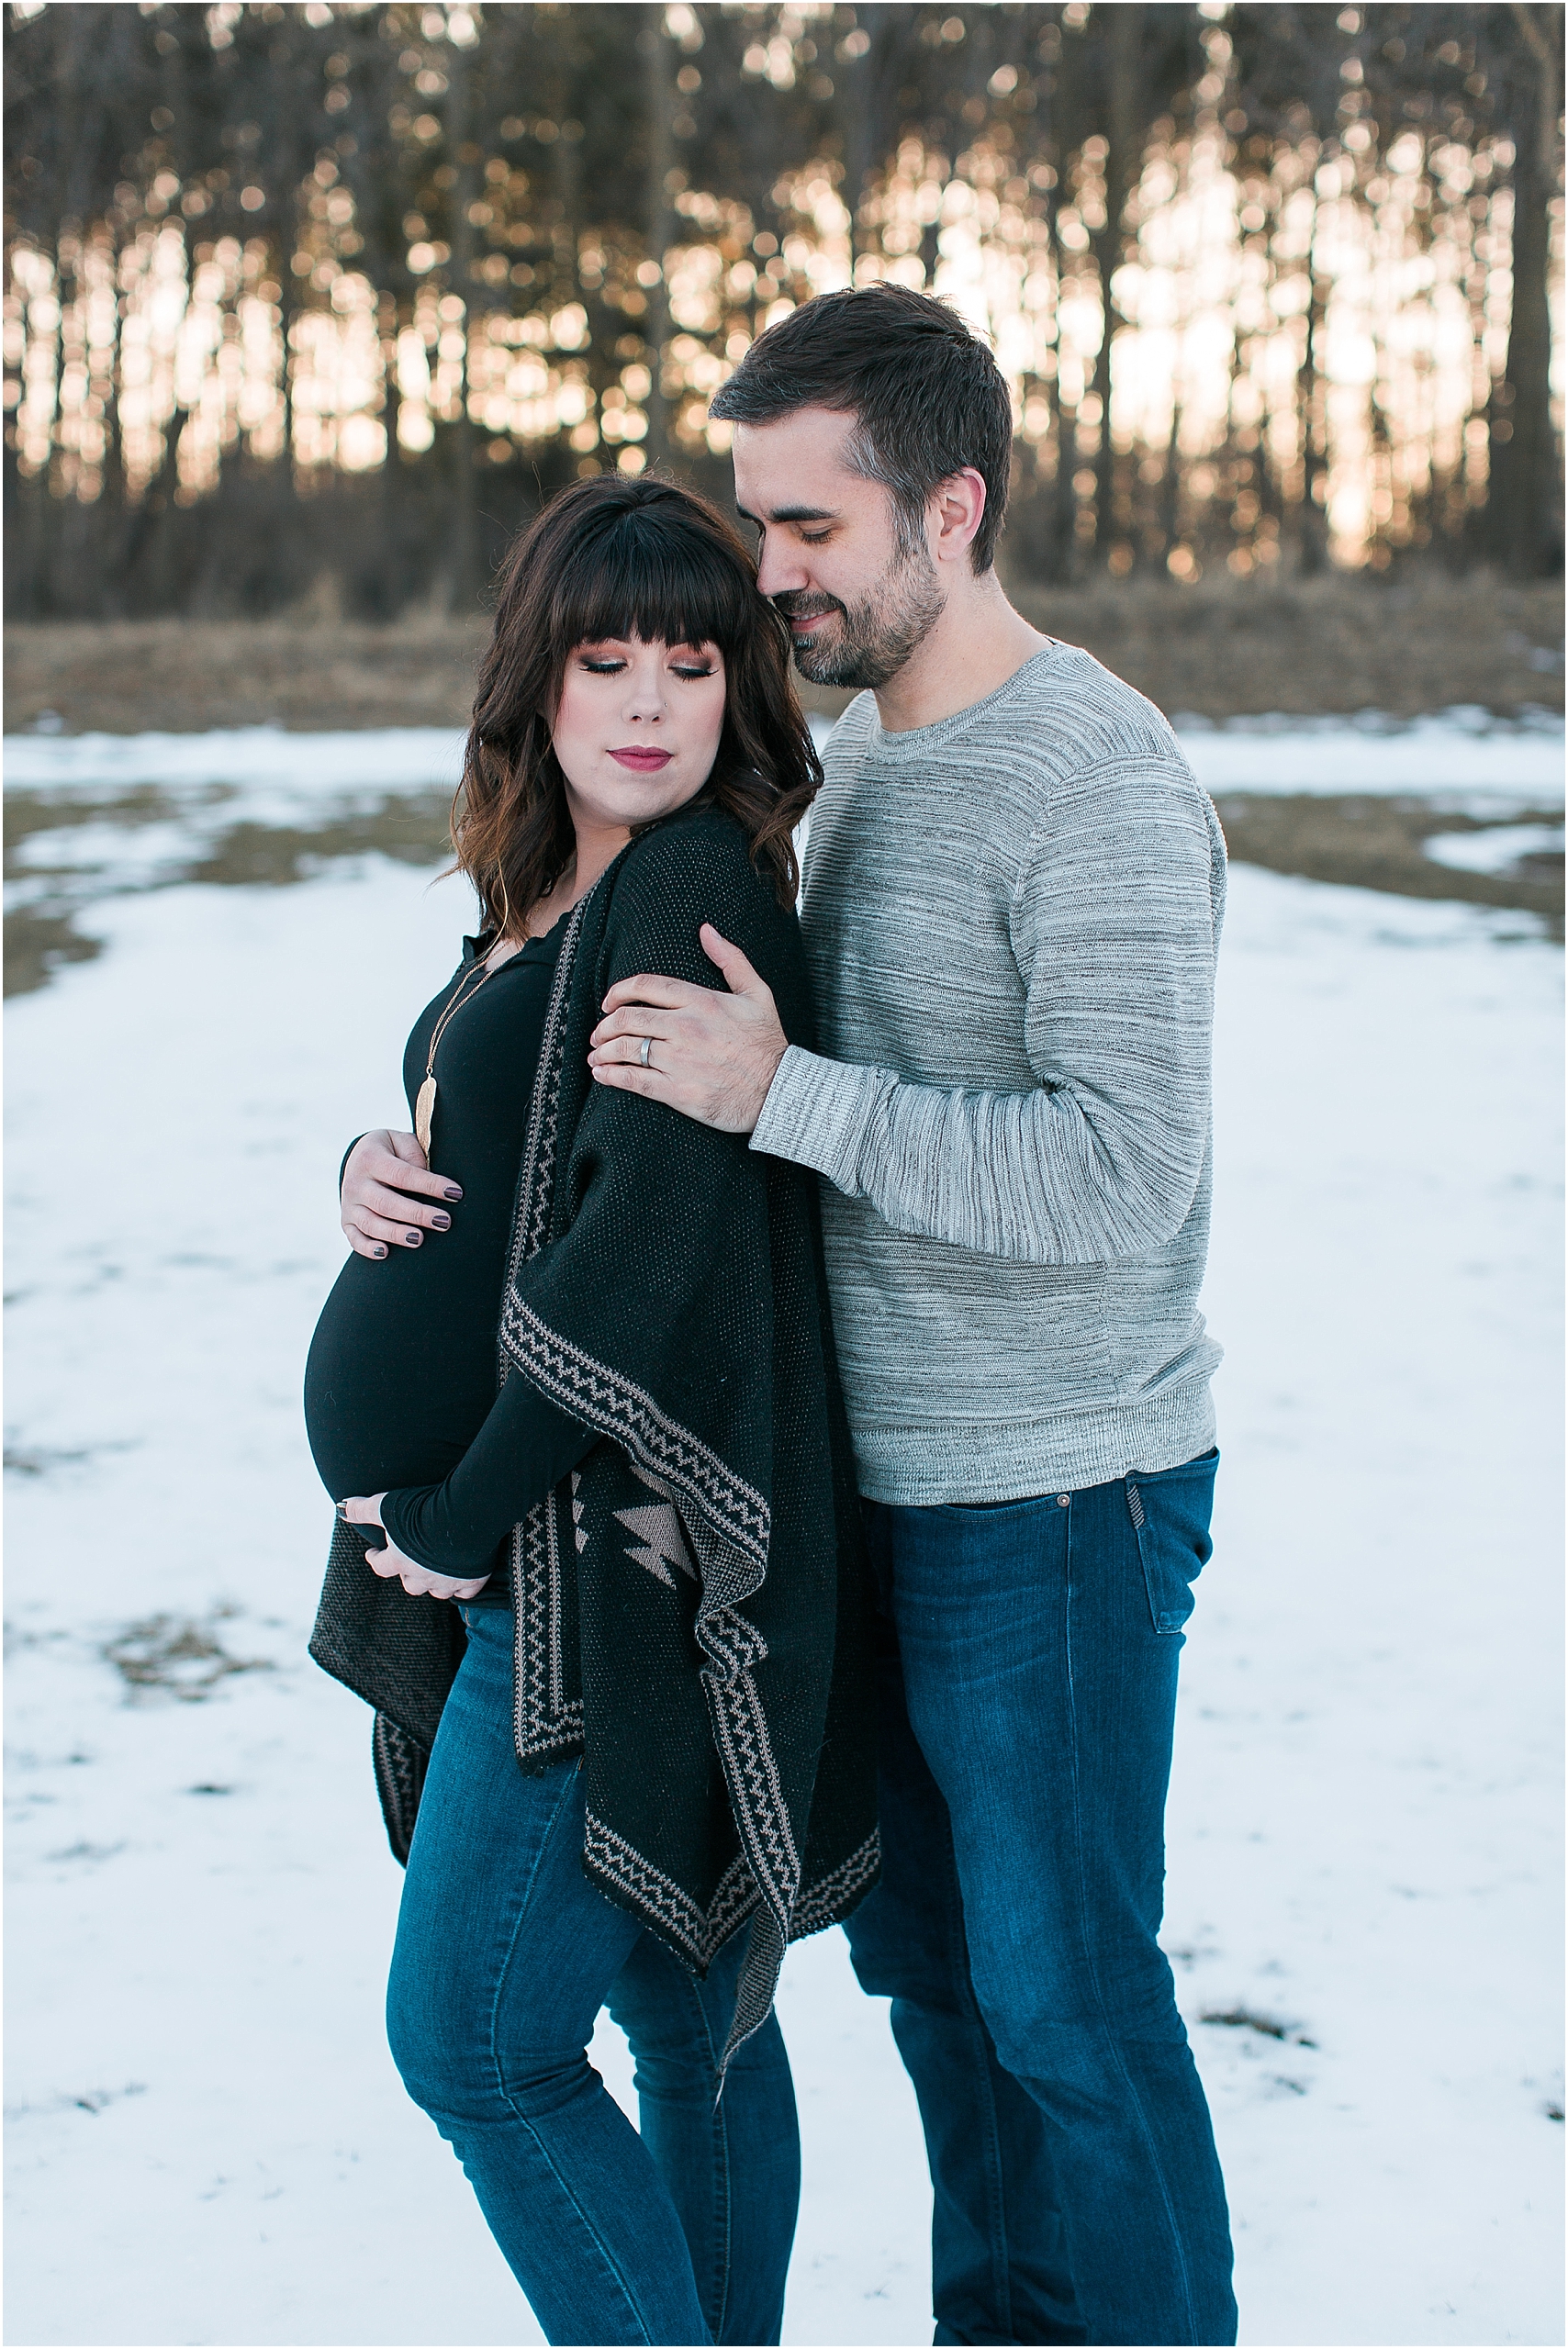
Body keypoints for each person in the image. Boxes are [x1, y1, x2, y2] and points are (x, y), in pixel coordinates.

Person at [581, 285, 1238, 2348]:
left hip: (1054, 1497)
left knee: (1064, 2002)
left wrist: (783, 1094)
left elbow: (1120, 1170)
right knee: (935, 1991)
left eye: (810, 527)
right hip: (879, 1489)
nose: (767, 572)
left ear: (949, 508)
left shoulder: (1092, 778)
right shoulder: (863, 759)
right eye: (759, 521)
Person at [307, 473, 878, 2349]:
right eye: (602, 655)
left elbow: (647, 1242)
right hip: (523, 1538)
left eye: (689, 660)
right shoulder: (545, 882)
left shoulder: (688, 880)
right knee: (676, 2002)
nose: (645, 699)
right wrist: (366, 1171)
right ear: (536, 683)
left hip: (583, 1565)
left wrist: (460, 1513)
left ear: (735, 689)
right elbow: (495, 1153)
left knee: (473, 2036)